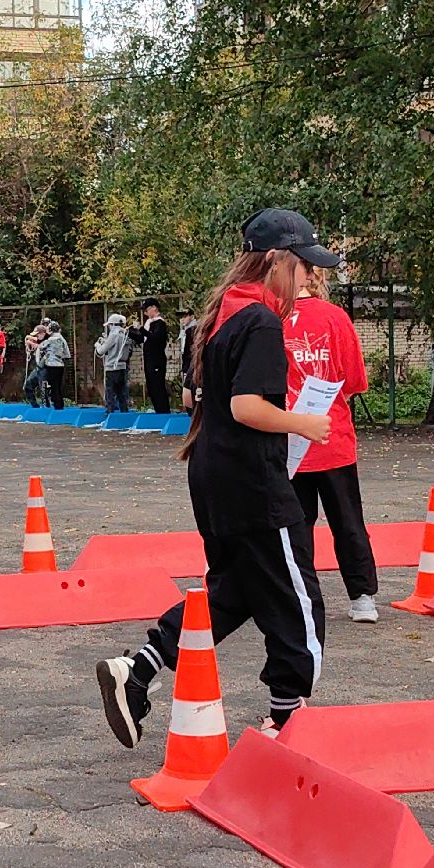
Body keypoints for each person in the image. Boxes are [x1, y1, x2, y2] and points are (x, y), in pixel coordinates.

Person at [96, 209, 339, 745]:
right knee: (297, 602)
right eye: (303, 269)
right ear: (275, 263)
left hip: (215, 477)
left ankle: (137, 672)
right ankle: (288, 720)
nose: (308, 282)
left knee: (236, 592)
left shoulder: (221, 317)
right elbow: (249, 405)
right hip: (254, 483)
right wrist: (304, 422)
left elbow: (200, 400)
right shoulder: (261, 322)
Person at [285, 257, 380, 622]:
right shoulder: (336, 318)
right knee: (348, 521)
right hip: (333, 436)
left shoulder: (269, 320)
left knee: (296, 526)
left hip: (291, 438)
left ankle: (301, 598)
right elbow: (355, 380)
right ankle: (362, 596)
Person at [135, 298, 173, 413]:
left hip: (157, 359)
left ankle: (164, 410)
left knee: (158, 386)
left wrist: (141, 329)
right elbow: (143, 339)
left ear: (154, 308)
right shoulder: (149, 323)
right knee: (151, 386)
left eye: (146, 310)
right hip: (148, 359)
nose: (145, 313)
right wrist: (131, 333)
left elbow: (155, 338)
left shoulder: (160, 323)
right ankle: (158, 409)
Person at [94, 313, 134, 413]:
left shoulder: (113, 334)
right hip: (123, 366)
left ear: (112, 324)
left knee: (110, 392)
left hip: (112, 367)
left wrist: (98, 345)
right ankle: (124, 413)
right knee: (122, 393)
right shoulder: (125, 334)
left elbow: (101, 351)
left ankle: (109, 412)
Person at [36, 319, 71, 410]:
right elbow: (67, 354)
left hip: (51, 365)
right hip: (60, 365)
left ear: (51, 329)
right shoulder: (62, 339)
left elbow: (41, 346)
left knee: (53, 386)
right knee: (58, 386)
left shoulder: (50, 340)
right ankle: (61, 405)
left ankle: (56, 406)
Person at [22, 323, 49, 406]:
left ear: (43, 334)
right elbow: (29, 338)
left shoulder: (49, 341)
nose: (36, 337)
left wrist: (35, 345)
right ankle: (34, 406)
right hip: (38, 368)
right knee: (28, 385)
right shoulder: (39, 340)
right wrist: (28, 341)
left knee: (43, 390)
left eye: (37, 335)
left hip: (46, 368)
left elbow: (43, 346)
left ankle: (47, 406)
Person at [179, 308, 198, 410]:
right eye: (181, 317)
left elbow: (190, 350)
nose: (182, 319)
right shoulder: (185, 330)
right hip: (187, 362)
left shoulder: (193, 329)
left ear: (192, 316)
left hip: (192, 363)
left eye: (185, 316)